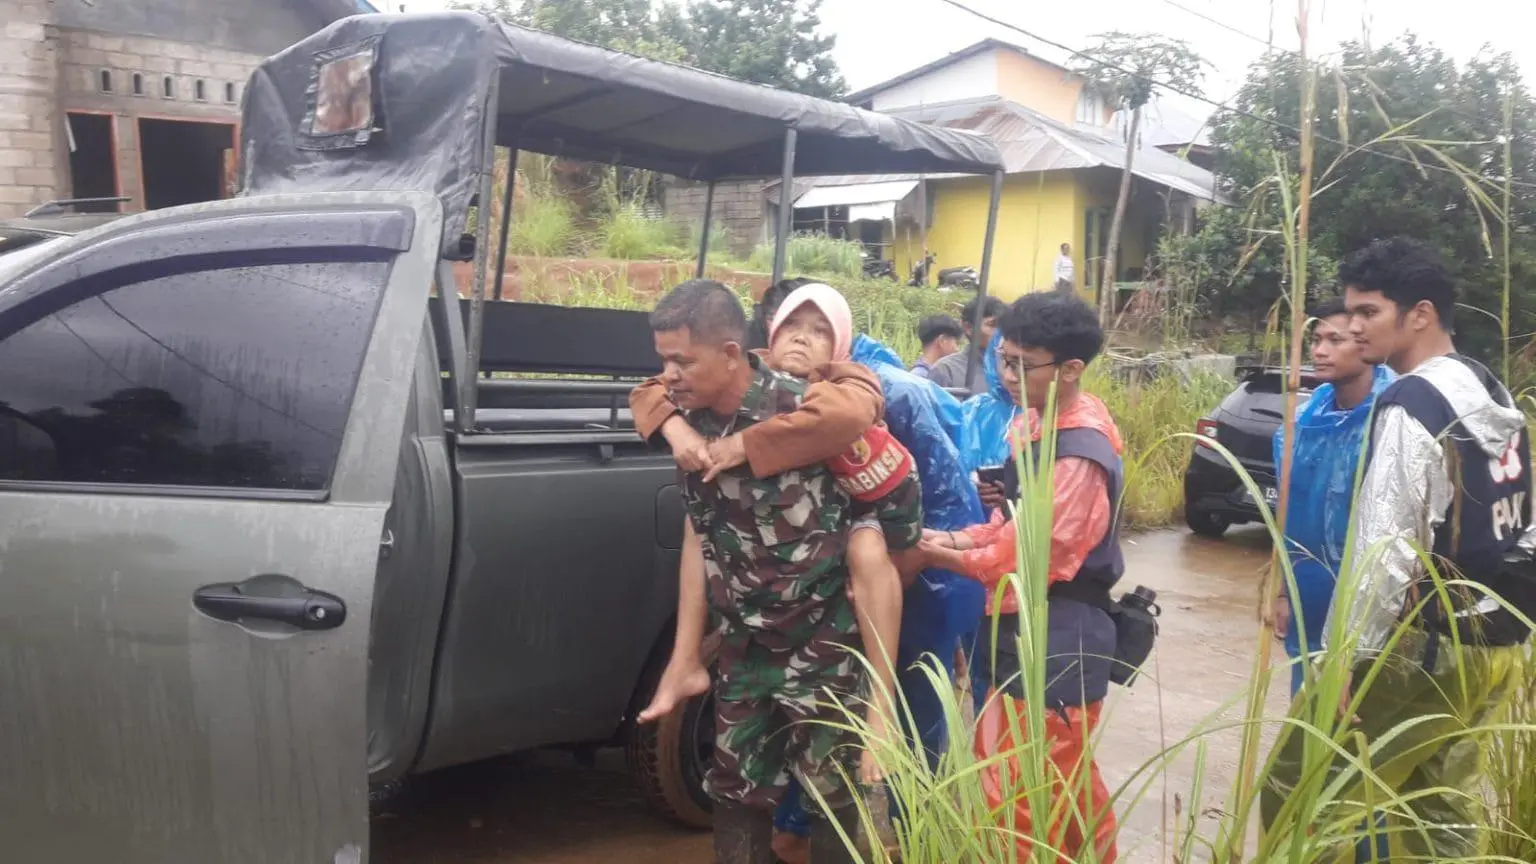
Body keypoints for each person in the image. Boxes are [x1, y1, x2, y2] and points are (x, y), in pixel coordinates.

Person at [1261, 237, 1534, 861]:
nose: (1353, 329)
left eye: (1367, 314)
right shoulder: (1491, 389)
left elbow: (1387, 547)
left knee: (1299, 792)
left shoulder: (1411, 403)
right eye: (1349, 314)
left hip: (1424, 643)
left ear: (1421, 315)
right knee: (1440, 805)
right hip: (1496, 639)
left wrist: (1345, 664)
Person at [634, 279, 867, 863]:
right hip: (744, 646)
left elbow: (884, 531)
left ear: (732, 354)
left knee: (832, 801)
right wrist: (685, 656)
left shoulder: (803, 409)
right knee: (735, 793)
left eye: (682, 360)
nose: (669, 374)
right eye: (663, 359)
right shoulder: (688, 419)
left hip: (825, 643)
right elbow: (700, 542)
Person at [918, 291, 1122, 863]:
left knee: (1031, 796)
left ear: (1071, 369)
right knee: (1069, 786)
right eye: (1002, 359)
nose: (1006, 375)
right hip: (1020, 629)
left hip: (1056, 638)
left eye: (1020, 364)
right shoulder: (1038, 425)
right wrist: (949, 538)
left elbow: (1022, 557)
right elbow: (1004, 525)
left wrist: (930, 554)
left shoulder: (1079, 451)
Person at [1270, 297, 1392, 695]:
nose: (1319, 351)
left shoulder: (1395, 417)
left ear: (1365, 340)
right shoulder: (1306, 421)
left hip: (1373, 607)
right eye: (1316, 339)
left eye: (1334, 340)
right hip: (1311, 596)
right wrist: (1284, 592)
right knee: (1305, 712)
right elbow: (1288, 517)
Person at [926, 295, 1006, 393]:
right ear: (968, 327)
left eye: (1003, 325)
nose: (1000, 332)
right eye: (992, 325)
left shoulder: (1012, 367)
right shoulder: (946, 370)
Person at [912, 314, 964, 379]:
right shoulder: (923, 378)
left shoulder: (916, 375)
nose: (957, 349)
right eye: (957, 343)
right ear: (942, 340)